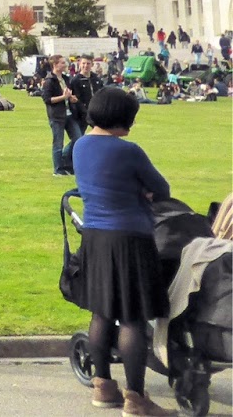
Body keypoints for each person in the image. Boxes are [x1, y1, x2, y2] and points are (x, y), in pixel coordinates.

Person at [72, 87, 175, 415]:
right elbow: (162, 189)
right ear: (122, 118)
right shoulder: (129, 150)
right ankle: (136, 398)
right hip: (130, 237)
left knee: (102, 312)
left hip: (95, 237)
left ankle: (103, 387)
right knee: (132, 318)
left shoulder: (80, 146)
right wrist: (143, 194)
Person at [41, 55, 83, 176]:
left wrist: (71, 98)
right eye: (62, 63)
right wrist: (63, 97)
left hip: (69, 114)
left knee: (78, 138)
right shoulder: (49, 81)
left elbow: (68, 95)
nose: (65, 65)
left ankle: (66, 162)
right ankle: (58, 169)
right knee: (58, 143)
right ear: (55, 65)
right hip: (57, 116)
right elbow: (47, 99)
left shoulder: (65, 78)